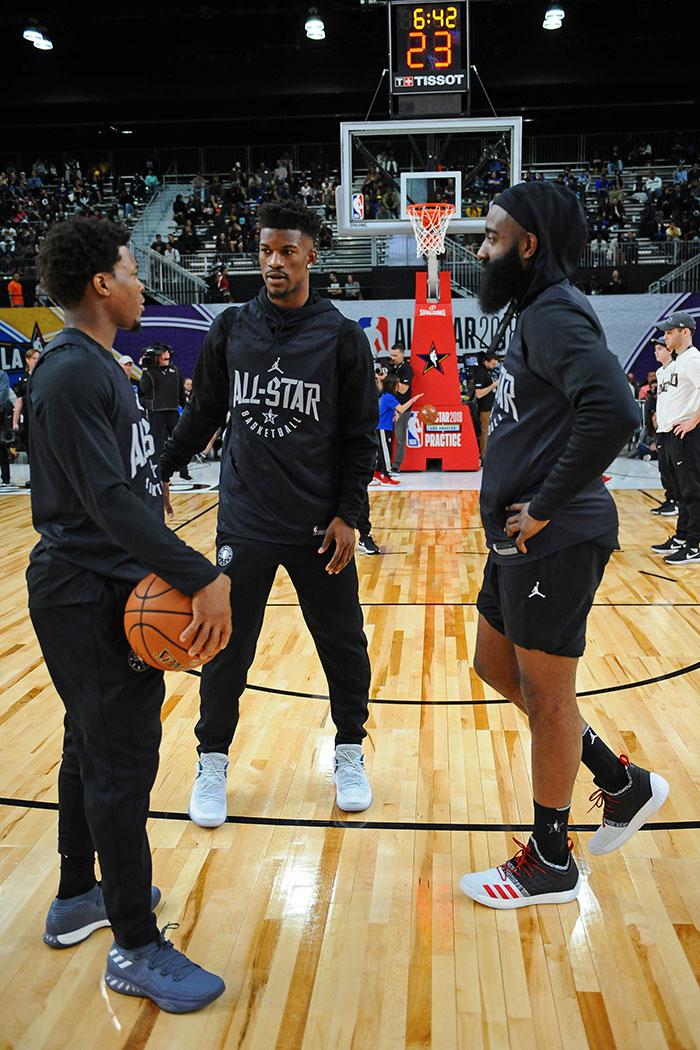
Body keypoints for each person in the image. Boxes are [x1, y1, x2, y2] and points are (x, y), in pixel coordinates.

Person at [29, 216, 232, 1011]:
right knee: (120, 765)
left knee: (88, 746)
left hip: (102, 582)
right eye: (132, 269)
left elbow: (123, 486)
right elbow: (105, 500)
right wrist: (201, 575)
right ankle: (136, 948)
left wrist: (154, 500)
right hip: (86, 589)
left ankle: (78, 893)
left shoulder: (98, 366)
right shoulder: (70, 373)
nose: (143, 283)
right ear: (101, 284)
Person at [459, 181, 669, 909]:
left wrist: (545, 507)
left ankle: (551, 861)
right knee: (493, 664)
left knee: (549, 698)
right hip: (516, 544)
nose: (481, 250)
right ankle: (620, 781)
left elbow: (615, 409)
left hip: (557, 537)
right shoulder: (534, 313)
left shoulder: (552, 312)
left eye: (492, 237)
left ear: (528, 245)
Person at [160, 200, 378, 827]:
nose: (273, 262)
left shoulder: (341, 337)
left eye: (286, 251)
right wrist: (161, 468)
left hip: (319, 526)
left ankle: (349, 750)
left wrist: (349, 515)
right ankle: (211, 760)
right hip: (246, 521)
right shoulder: (232, 327)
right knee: (226, 646)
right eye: (264, 250)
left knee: (343, 643)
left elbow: (361, 436)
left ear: (312, 254)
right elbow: (204, 413)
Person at [649, 312, 700, 565]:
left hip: (687, 435)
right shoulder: (679, 361)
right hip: (672, 433)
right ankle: (683, 537)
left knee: (692, 491)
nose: (666, 337)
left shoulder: (692, 359)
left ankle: (695, 545)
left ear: (685, 332)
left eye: (670, 332)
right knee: (681, 492)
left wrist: (694, 420)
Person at [138, 343, 191, 480]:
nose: (164, 357)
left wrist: (186, 408)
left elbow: (180, 393)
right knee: (158, 442)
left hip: (172, 410)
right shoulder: (150, 371)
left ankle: (183, 470)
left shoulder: (175, 371)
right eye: (161, 355)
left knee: (179, 440)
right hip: (156, 412)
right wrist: (145, 370)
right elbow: (143, 391)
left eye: (166, 354)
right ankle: (158, 471)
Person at [647, 341, 679, 517]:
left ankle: (678, 502)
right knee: (664, 467)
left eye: (659, 349)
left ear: (670, 350)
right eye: (655, 349)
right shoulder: (660, 372)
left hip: (675, 426)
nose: (656, 352)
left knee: (675, 468)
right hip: (663, 427)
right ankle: (670, 499)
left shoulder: (678, 367)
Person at [386, 343, 414, 474]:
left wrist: (389, 381)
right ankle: (384, 463)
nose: (393, 358)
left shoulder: (406, 369)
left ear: (402, 354)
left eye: (396, 355)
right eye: (391, 355)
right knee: (386, 436)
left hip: (402, 408)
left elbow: (403, 390)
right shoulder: (391, 368)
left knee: (399, 438)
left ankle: (396, 465)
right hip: (389, 407)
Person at [473, 351, 500, 455]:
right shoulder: (480, 372)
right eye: (492, 364)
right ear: (485, 362)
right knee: (485, 431)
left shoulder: (489, 371)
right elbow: (479, 393)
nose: (494, 366)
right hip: (485, 408)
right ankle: (484, 455)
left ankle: (491, 452)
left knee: (492, 430)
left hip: (492, 405)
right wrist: (493, 385)